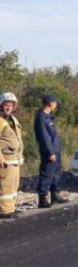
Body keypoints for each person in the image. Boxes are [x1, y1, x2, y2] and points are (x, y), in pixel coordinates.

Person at [34, 95, 68, 209]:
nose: (56, 105)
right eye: (55, 103)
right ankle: (42, 198)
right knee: (46, 173)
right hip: (49, 151)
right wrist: (50, 152)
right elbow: (44, 137)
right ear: (49, 103)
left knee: (55, 173)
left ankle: (55, 194)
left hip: (55, 149)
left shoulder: (49, 117)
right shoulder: (41, 118)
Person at [0, 92, 24, 220]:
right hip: (5, 160)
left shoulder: (13, 120)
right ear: (1, 105)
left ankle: (11, 208)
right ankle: (4, 211)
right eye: (5, 104)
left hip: (15, 159)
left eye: (10, 104)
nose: (8, 107)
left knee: (14, 186)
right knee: (5, 187)